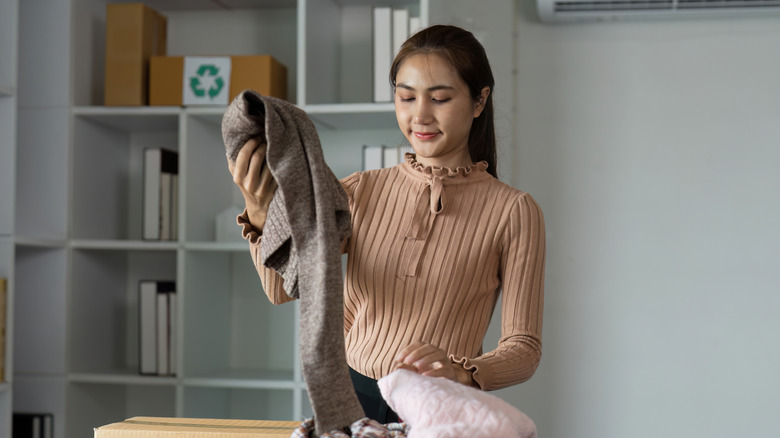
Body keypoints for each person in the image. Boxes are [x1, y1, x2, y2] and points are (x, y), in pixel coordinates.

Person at [227, 24, 545, 424]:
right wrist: (258, 208)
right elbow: (281, 290)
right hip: (348, 396)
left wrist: (463, 371)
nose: (420, 115)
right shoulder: (358, 190)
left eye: (441, 98)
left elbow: (524, 346)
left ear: (480, 101)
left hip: (438, 405)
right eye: (406, 97)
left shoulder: (514, 210)